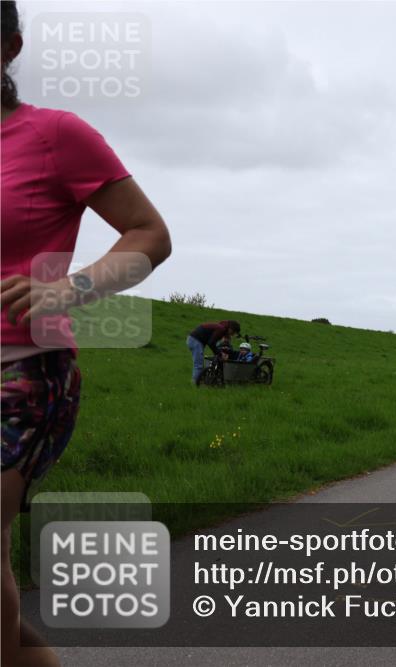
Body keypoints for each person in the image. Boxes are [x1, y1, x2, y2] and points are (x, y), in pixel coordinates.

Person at [1, 3, 172, 664]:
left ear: (9, 48)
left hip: (23, 368)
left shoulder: (54, 135)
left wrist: (68, 287)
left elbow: (150, 234)